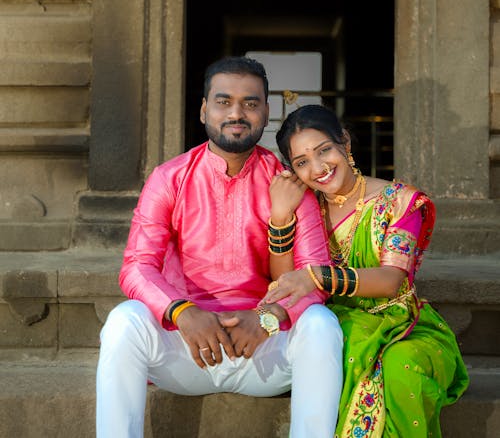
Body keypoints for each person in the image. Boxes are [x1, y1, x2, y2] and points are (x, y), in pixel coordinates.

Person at [96, 58, 344, 438]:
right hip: (188, 348)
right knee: (124, 321)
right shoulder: (169, 178)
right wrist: (183, 312)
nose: (237, 113)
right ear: (203, 110)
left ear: (266, 111)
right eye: (224, 101)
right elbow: (136, 267)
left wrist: (267, 318)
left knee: (321, 326)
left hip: (263, 350)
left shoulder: (290, 185)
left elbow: (315, 277)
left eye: (250, 103)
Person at [263, 104, 469, 438]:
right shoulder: (306, 207)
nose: (318, 168)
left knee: (402, 369)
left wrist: (316, 277)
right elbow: (284, 282)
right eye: (302, 163)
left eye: (324, 150)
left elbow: (391, 280)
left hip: (401, 326)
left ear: (344, 142)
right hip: (333, 327)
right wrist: (281, 216)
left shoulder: (400, 201)